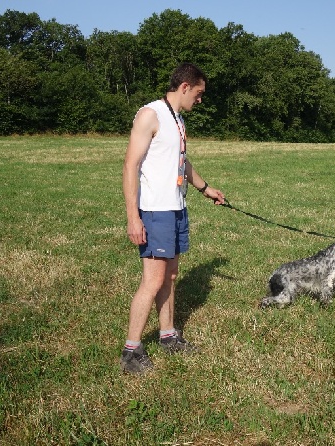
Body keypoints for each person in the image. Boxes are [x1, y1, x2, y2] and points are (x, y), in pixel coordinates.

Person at [120, 63, 225, 374]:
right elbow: (129, 166)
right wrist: (133, 217)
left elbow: (180, 159)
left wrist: (205, 188)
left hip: (176, 207)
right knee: (152, 281)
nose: (200, 99)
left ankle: (168, 337)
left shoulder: (176, 119)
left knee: (171, 277)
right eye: (199, 93)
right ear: (184, 87)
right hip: (155, 211)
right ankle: (130, 351)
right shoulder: (150, 114)